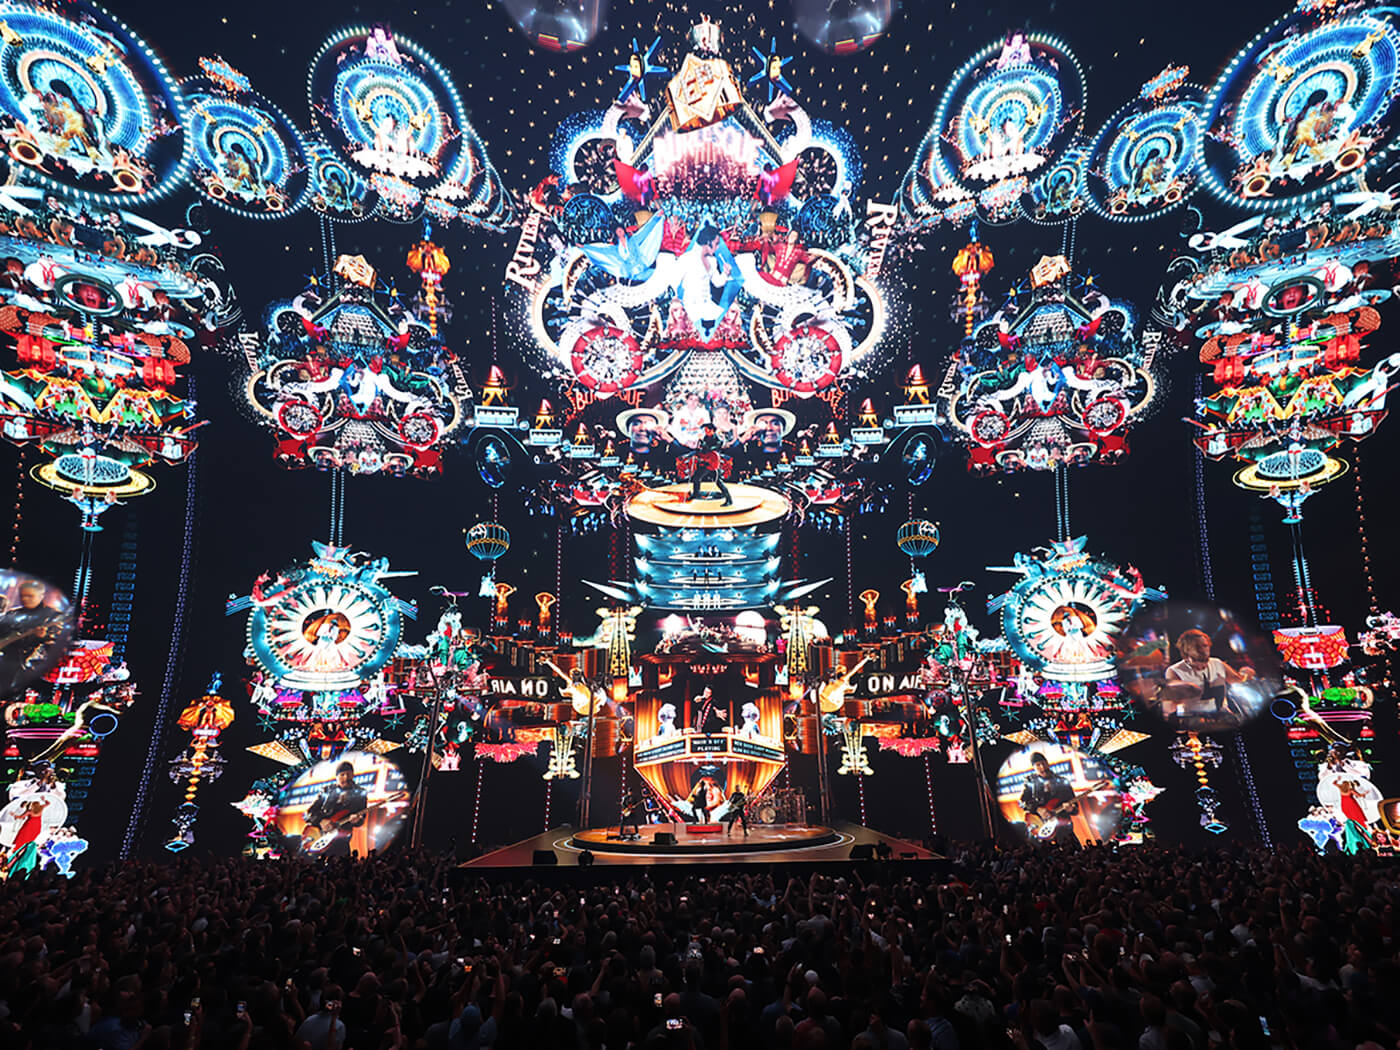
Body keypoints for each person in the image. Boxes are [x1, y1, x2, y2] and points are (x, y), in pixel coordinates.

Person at [1162, 628, 1255, 726]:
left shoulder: (1217, 663)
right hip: (1192, 719)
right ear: (1186, 649)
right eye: (1197, 647)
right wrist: (1174, 696)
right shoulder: (1174, 671)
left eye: (1205, 646)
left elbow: (1238, 679)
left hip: (1223, 716)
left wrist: (1246, 673)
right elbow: (1169, 707)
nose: (1203, 650)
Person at [0, 579, 66, 698]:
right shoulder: (12, 614)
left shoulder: (54, 617)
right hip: (7, 665)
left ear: (41, 596)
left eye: (30, 596)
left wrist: (41, 638)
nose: (25, 599)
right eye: (22, 596)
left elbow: (55, 646)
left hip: (31, 673)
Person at [303, 762, 368, 857]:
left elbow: (362, 819)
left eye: (349, 774)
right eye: (342, 775)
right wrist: (321, 820)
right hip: (320, 837)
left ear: (353, 775)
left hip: (341, 840)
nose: (346, 778)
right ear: (336, 777)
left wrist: (357, 820)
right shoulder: (327, 791)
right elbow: (308, 813)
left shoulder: (360, 793)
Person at [1018, 752, 1076, 843]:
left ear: (1047, 763)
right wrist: (1037, 809)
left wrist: (1071, 809)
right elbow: (1022, 802)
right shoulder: (1030, 782)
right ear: (1034, 767)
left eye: (1043, 763)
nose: (1042, 767)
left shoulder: (1062, 781)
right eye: (1038, 765)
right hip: (1041, 827)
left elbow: (1076, 809)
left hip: (1063, 829)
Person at [688, 423, 732, 505]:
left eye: (707, 430)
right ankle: (695, 494)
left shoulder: (718, 440)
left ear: (712, 431)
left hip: (714, 464)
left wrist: (703, 443)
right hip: (705, 463)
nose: (705, 432)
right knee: (696, 478)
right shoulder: (706, 437)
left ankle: (729, 500)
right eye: (705, 430)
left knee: (718, 482)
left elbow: (710, 450)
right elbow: (703, 451)